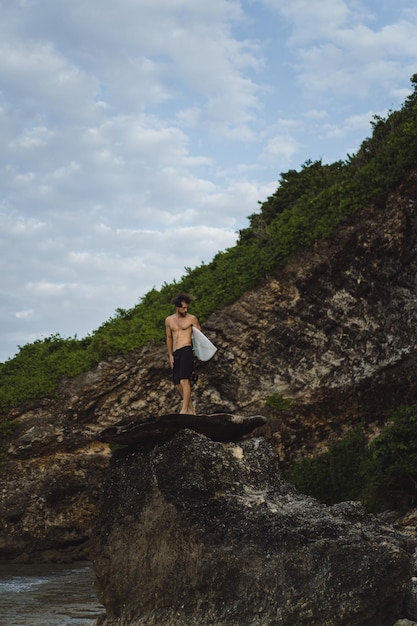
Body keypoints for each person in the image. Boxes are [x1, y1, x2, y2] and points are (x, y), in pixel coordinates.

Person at [165, 293, 201, 415]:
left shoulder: (192, 319)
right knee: (177, 384)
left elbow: (199, 337)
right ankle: (191, 410)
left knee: (184, 380)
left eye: (187, 308)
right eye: (183, 308)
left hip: (187, 349)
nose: (185, 310)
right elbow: (169, 337)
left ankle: (184, 410)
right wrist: (170, 355)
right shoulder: (169, 320)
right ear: (177, 307)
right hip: (176, 353)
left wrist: (198, 354)